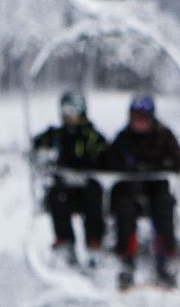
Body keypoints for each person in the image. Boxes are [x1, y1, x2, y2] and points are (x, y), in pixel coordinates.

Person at [106, 94, 180, 291]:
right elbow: (109, 160)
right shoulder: (124, 138)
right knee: (124, 210)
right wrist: (129, 168)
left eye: (143, 118)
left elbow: (177, 161)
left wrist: (156, 165)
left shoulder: (164, 136)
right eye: (136, 117)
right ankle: (126, 260)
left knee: (164, 208)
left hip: (156, 189)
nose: (139, 122)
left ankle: (166, 259)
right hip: (130, 190)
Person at [31, 90, 109, 266]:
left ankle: (94, 243)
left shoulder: (91, 136)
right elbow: (39, 141)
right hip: (67, 189)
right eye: (64, 111)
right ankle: (65, 242)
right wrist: (40, 148)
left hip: (87, 187)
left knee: (93, 196)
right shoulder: (58, 135)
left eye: (71, 110)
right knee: (56, 195)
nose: (67, 115)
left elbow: (105, 154)